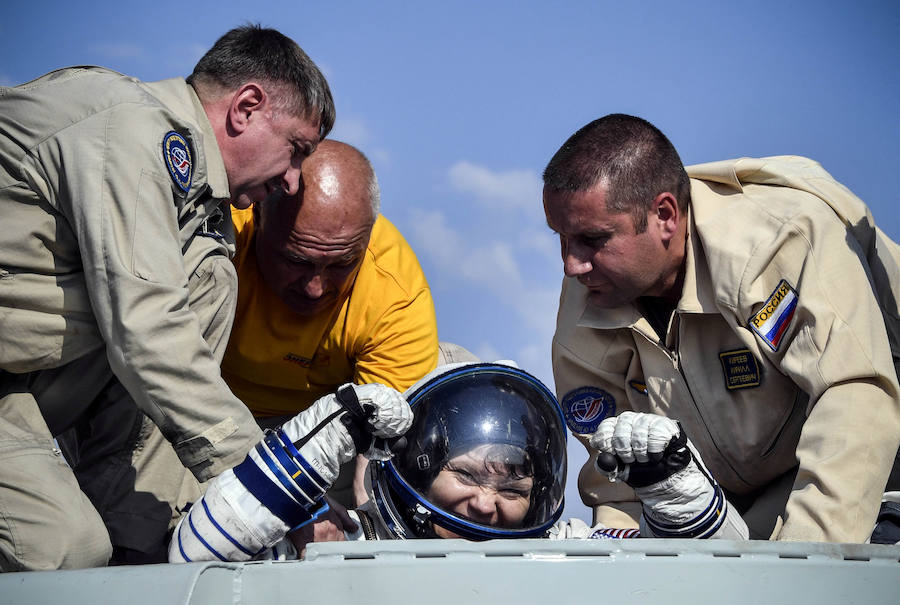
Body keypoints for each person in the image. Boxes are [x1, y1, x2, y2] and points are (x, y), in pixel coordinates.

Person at [0, 25, 335, 570]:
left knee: (209, 276)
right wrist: (277, 491)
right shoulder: (130, 127)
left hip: (20, 383)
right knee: (63, 553)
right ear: (246, 107)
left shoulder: (203, 214)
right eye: (296, 150)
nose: (294, 181)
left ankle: (135, 534)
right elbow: (148, 329)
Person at [542, 113, 900, 543]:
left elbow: (856, 398)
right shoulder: (588, 294)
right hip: (731, 505)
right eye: (561, 238)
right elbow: (619, 485)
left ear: (665, 215)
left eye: (593, 239)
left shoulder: (778, 242)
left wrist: (805, 568)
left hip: (871, 475)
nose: (571, 264)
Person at [170, 363, 747, 562]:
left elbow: (729, 578)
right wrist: (317, 442)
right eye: (467, 474)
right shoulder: (341, 545)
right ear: (418, 467)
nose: (485, 503)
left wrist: (675, 489)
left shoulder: (569, 550)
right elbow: (194, 557)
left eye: (513, 487)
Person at [221, 139, 439, 507]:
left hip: (324, 432)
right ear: (257, 219)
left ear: (367, 240)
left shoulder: (396, 294)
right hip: (210, 407)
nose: (314, 288)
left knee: (450, 374)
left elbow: (375, 465)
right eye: (296, 260)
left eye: (340, 265)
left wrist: (365, 524)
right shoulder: (221, 235)